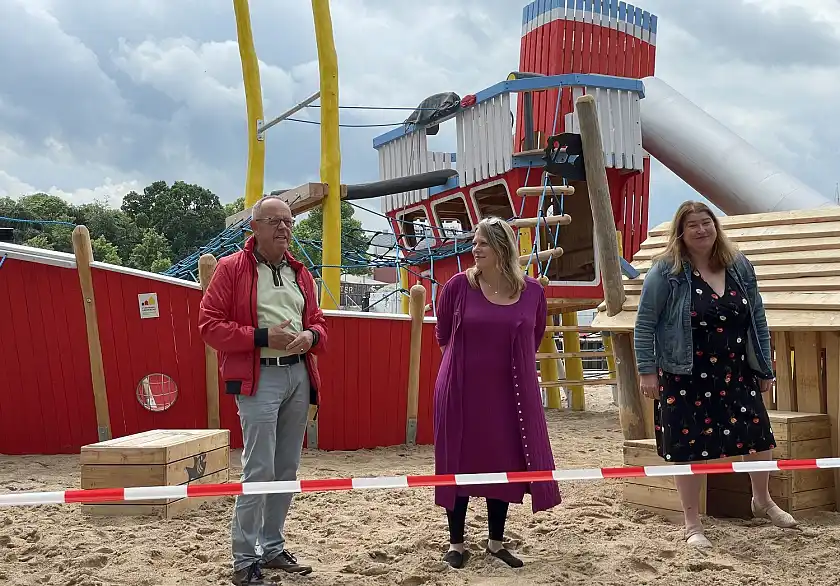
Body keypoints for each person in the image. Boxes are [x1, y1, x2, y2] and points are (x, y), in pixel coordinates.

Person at [634, 200, 798, 548]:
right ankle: (692, 523)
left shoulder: (738, 265)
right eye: (692, 224)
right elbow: (645, 323)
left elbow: (757, 319)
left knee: (758, 435)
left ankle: (762, 500)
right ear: (681, 231)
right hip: (684, 373)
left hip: (736, 370)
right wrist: (647, 371)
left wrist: (764, 367)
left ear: (716, 227)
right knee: (687, 449)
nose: (701, 230)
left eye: (706, 223)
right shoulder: (665, 271)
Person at [198, 195, 328, 585]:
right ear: (253, 227)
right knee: (258, 467)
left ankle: (271, 548)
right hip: (259, 375)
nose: (284, 228)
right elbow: (209, 326)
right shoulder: (231, 269)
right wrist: (261, 336)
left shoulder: (300, 272)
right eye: (274, 221)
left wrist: (310, 335)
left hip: (298, 374)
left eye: (288, 221)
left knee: (287, 466)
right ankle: (244, 559)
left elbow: (320, 322)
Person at [433, 216, 562, 569]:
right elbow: (443, 334)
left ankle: (495, 541)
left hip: (509, 392)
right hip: (460, 389)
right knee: (457, 462)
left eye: (483, 243)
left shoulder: (533, 291)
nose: (475, 249)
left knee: (501, 462)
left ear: (503, 248)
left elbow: (533, 338)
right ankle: (456, 543)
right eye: (474, 242)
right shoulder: (458, 286)